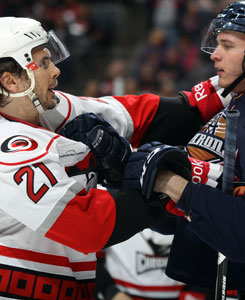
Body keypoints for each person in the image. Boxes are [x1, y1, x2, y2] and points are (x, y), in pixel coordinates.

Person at [0, 16, 232, 300]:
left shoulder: (45, 109)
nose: (56, 71)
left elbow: (141, 115)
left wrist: (228, 86)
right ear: (11, 81)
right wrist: (169, 186)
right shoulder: (8, 150)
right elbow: (90, 226)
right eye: (44, 63)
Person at [123, 1, 245, 298]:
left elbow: (244, 232)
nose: (214, 55)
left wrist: (172, 182)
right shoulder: (231, 107)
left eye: (227, 45)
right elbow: (181, 221)